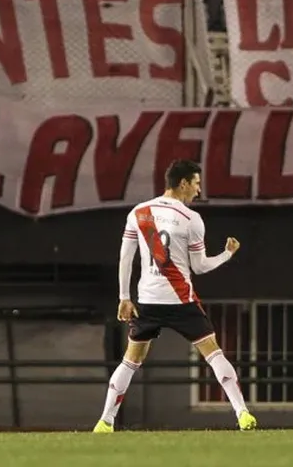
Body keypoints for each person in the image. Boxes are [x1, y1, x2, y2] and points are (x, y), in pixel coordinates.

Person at [92, 159, 257, 433]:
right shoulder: (192, 219)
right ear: (183, 183)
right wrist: (227, 254)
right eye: (196, 183)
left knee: (130, 361)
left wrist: (124, 296)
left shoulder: (139, 212)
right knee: (214, 354)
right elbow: (200, 266)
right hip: (182, 302)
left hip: (148, 301)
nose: (198, 190)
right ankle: (243, 415)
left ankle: (105, 422)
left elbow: (125, 258)